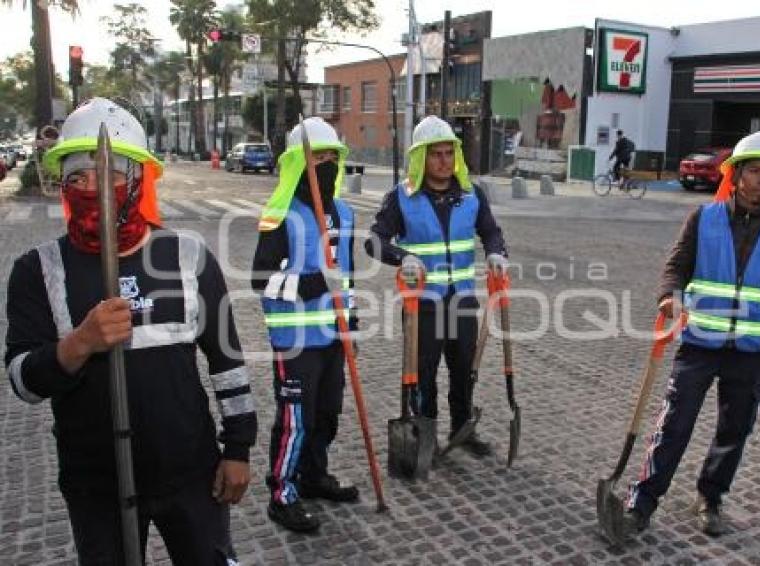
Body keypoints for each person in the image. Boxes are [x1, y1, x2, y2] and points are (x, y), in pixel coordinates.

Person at [4, 98, 257, 564]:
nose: (91, 188)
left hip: (191, 473)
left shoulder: (188, 255)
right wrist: (79, 344)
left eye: (108, 175)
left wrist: (238, 448)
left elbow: (227, 362)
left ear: (137, 179)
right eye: (77, 177)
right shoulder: (37, 270)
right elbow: (22, 381)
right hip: (96, 483)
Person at [623, 131, 760, 538]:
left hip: (751, 352)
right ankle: (642, 502)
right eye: (753, 171)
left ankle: (710, 497)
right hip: (699, 344)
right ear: (735, 174)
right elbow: (675, 268)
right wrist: (669, 296)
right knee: (675, 424)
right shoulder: (703, 219)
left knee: (734, 429)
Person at [365, 115, 508, 458]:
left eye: (449, 153)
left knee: (463, 372)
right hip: (423, 306)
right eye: (436, 154)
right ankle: (423, 437)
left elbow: (490, 230)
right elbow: (374, 241)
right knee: (422, 376)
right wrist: (403, 257)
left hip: (461, 301)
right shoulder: (402, 197)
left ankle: (463, 430)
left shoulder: (472, 195)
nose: (444, 161)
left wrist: (496, 253)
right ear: (421, 157)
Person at [253, 117, 359, 534]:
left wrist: (351, 319)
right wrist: (310, 282)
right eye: (318, 157)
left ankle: (314, 476)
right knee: (295, 419)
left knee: (327, 414)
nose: (327, 163)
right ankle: (282, 493)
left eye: (332, 156)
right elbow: (260, 280)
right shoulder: (280, 214)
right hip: (294, 340)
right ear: (299, 162)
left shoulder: (345, 213)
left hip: (334, 336)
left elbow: (346, 275)